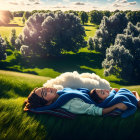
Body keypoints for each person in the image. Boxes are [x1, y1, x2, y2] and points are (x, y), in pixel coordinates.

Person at [24, 87, 128, 116]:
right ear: (47, 103)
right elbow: (97, 111)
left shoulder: (60, 93)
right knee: (130, 96)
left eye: (44, 88)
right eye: (44, 94)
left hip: (98, 97)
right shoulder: (71, 104)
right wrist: (116, 106)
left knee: (124, 91)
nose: (47, 89)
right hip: (102, 102)